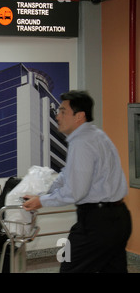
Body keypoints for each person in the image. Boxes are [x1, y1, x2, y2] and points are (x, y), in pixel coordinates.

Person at [23, 90, 132, 273]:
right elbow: (67, 175)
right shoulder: (94, 136)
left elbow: (75, 191)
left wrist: (41, 201)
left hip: (98, 224)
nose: (57, 116)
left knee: (70, 269)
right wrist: (43, 194)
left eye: (63, 111)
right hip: (117, 218)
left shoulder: (82, 142)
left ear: (79, 116)